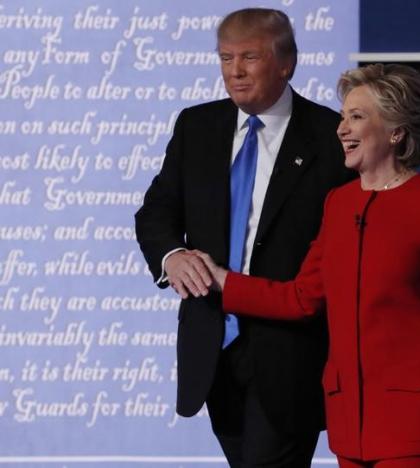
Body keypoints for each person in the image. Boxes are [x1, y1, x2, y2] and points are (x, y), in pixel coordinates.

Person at [202, 64, 420, 468]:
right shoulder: (339, 204)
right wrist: (221, 281)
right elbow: (301, 297)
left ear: (396, 131)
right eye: (342, 116)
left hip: (418, 418)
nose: (342, 129)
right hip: (351, 421)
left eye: (357, 116)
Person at [135, 8, 352, 467]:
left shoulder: (328, 136)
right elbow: (156, 212)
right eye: (226, 58)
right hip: (215, 344)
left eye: (249, 57)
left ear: (285, 63)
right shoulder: (197, 127)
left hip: (291, 349)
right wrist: (171, 255)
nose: (234, 71)